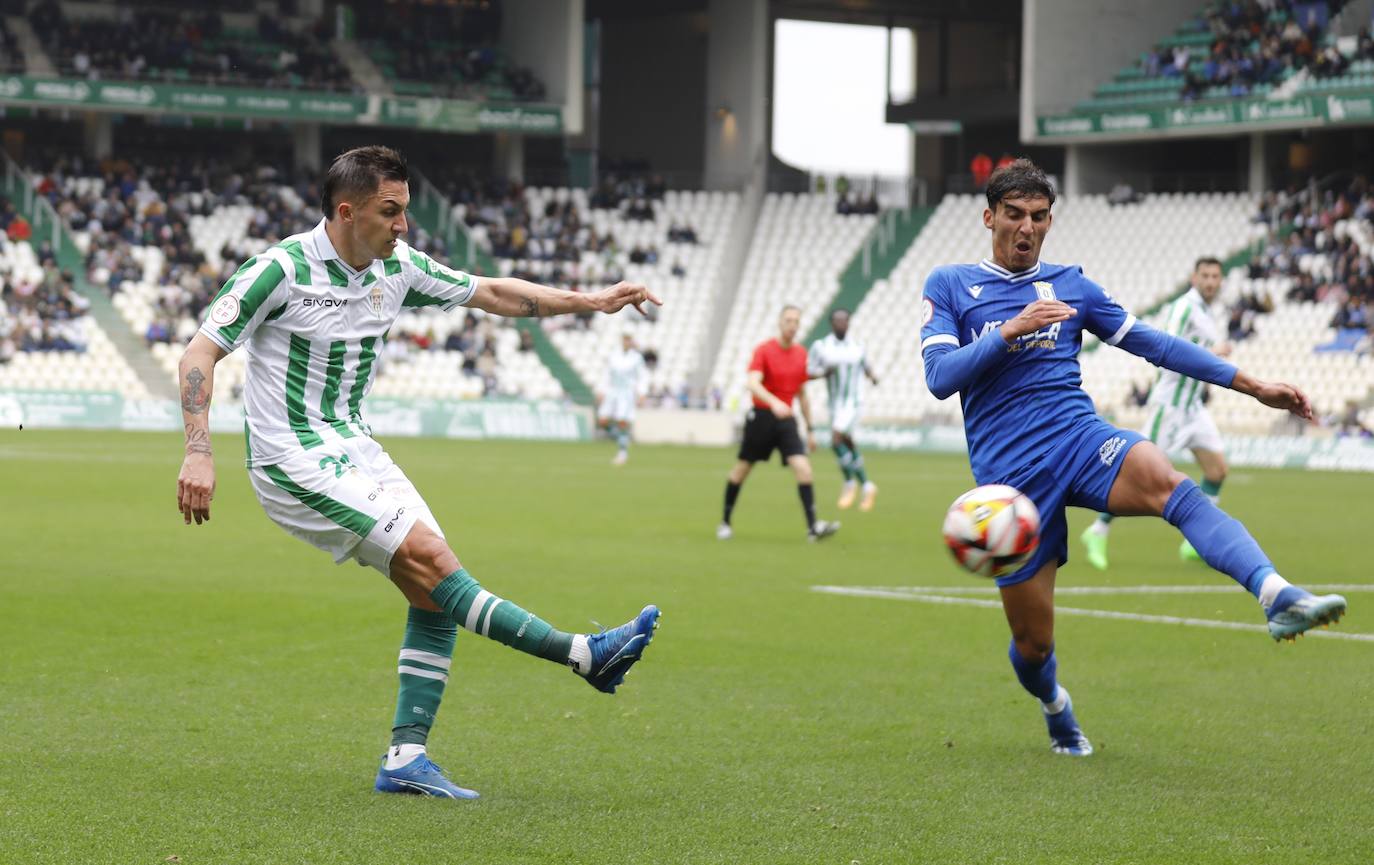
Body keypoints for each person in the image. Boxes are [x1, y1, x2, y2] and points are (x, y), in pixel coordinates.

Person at [174, 146, 664, 800]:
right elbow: (201, 349)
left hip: (356, 447)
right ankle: (584, 653)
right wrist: (199, 447)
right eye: (391, 211)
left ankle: (406, 756)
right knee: (432, 556)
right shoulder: (279, 270)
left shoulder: (396, 266)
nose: (404, 224)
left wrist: (591, 301)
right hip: (290, 457)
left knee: (431, 591)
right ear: (347, 212)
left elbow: (487, 291)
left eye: (405, 210)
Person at [919, 158, 1346, 757]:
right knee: (1034, 645)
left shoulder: (1073, 285)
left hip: (1079, 439)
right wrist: (1010, 329)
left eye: (1039, 218)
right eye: (1013, 215)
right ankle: (1054, 705)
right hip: (1010, 486)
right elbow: (940, 377)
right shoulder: (950, 285)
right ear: (989, 217)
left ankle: (1276, 595)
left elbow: (1155, 344)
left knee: (1168, 481)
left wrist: (1252, 384)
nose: (1026, 229)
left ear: (1049, 222)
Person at [1082, 257, 1232, 568]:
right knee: (1140, 474)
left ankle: (1196, 543)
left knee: (1217, 470)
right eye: (1205, 275)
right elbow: (1170, 346)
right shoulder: (1185, 307)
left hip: (1193, 407)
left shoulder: (1207, 312)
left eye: (1215, 276)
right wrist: (1214, 354)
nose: (1210, 281)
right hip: (1171, 407)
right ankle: (1097, 530)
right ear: (1194, 277)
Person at [717, 305, 840, 542]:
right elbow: (752, 383)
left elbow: (802, 394)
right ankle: (725, 522)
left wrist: (810, 429)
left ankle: (813, 528)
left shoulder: (801, 354)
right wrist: (774, 403)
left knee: (803, 468)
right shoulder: (764, 350)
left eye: (796, 321)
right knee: (741, 471)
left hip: (786, 421)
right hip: (761, 417)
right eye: (788, 320)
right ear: (779, 322)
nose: (792, 325)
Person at [808, 308, 880, 511]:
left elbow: (866, 367)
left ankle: (849, 483)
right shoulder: (821, 347)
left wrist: (873, 377)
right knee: (846, 443)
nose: (841, 324)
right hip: (834, 404)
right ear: (831, 323)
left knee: (836, 439)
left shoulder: (857, 346)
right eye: (837, 321)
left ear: (849, 323)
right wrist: (823, 373)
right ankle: (867, 485)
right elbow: (809, 372)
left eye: (845, 320)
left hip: (853, 401)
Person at [598, 332, 646, 466]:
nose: (627, 342)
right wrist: (601, 390)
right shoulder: (613, 355)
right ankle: (623, 438)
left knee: (622, 421)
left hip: (626, 393)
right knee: (602, 421)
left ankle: (622, 452)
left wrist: (642, 393)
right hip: (612, 391)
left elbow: (642, 376)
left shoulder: (636, 358)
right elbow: (606, 374)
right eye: (625, 340)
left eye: (629, 340)